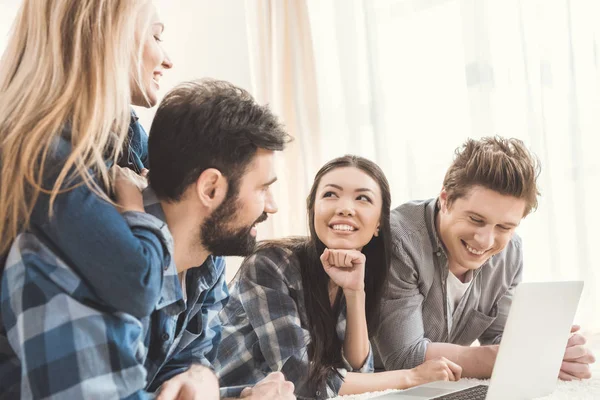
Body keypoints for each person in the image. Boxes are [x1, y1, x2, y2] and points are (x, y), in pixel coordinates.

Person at [1, 79, 296, 399]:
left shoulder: (206, 258)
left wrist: (205, 377)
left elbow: (181, 371)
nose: (272, 206)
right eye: (263, 188)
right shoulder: (78, 261)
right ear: (210, 188)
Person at [216, 155, 462, 400]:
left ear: (378, 223)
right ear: (313, 209)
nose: (345, 208)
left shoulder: (356, 270)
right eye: (330, 195)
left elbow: (357, 369)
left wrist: (355, 292)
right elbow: (299, 377)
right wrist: (412, 377)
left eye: (362, 198)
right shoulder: (270, 264)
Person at [0, 0, 175, 324]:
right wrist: (136, 207)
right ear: (110, 36)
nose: (168, 60)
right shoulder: (44, 159)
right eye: (156, 36)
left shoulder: (126, 133)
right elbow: (139, 286)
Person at [372, 136, 595, 380]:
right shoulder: (399, 240)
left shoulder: (509, 253)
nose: (486, 241)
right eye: (476, 220)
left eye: (504, 227)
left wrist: (550, 350)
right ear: (445, 201)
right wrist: (519, 358)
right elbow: (404, 358)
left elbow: (501, 338)